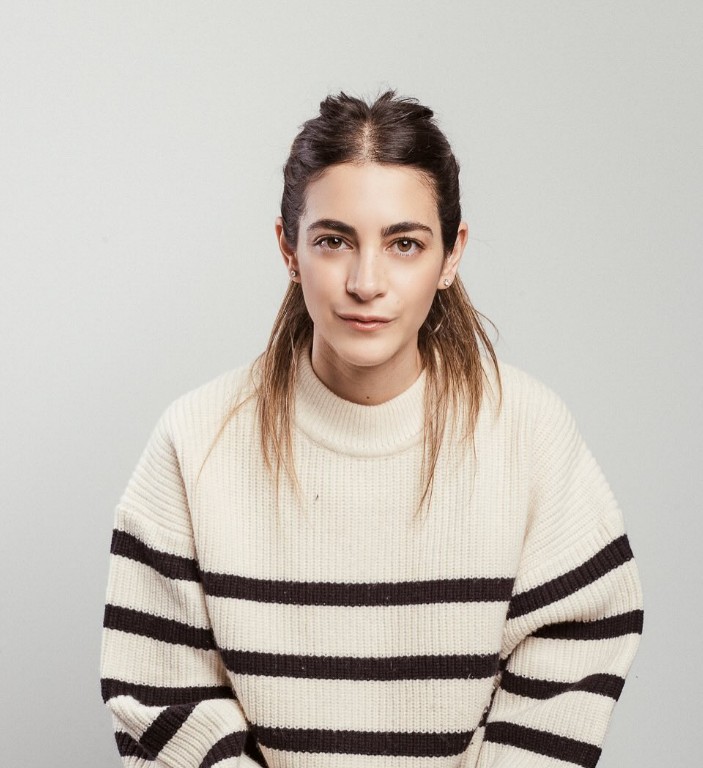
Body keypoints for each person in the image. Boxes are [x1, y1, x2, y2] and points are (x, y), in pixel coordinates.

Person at [100, 91, 643, 768]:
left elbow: (578, 640)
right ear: (288, 248)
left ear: (451, 255)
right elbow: (157, 694)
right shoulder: (196, 440)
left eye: (404, 244)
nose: (366, 281)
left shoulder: (530, 436)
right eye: (333, 241)